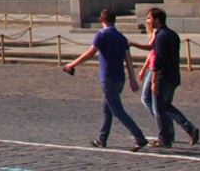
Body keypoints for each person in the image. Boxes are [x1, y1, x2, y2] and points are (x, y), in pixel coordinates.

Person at [62, 8, 147, 151]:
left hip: (108, 78)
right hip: (120, 78)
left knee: (117, 110)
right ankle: (102, 139)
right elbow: (128, 59)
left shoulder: (101, 35)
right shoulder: (121, 37)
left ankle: (139, 137)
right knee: (107, 109)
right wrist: (132, 78)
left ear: (102, 20)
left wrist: (72, 64)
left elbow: (90, 53)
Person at [137, 8, 200, 148]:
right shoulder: (172, 34)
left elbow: (158, 60)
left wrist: (154, 80)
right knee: (165, 106)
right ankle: (188, 129)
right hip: (173, 76)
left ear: (157, 19)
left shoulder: (160, 36)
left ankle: (165, 139)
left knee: (159, 109)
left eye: (149, 18)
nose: (148, 21)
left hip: (162, 77)